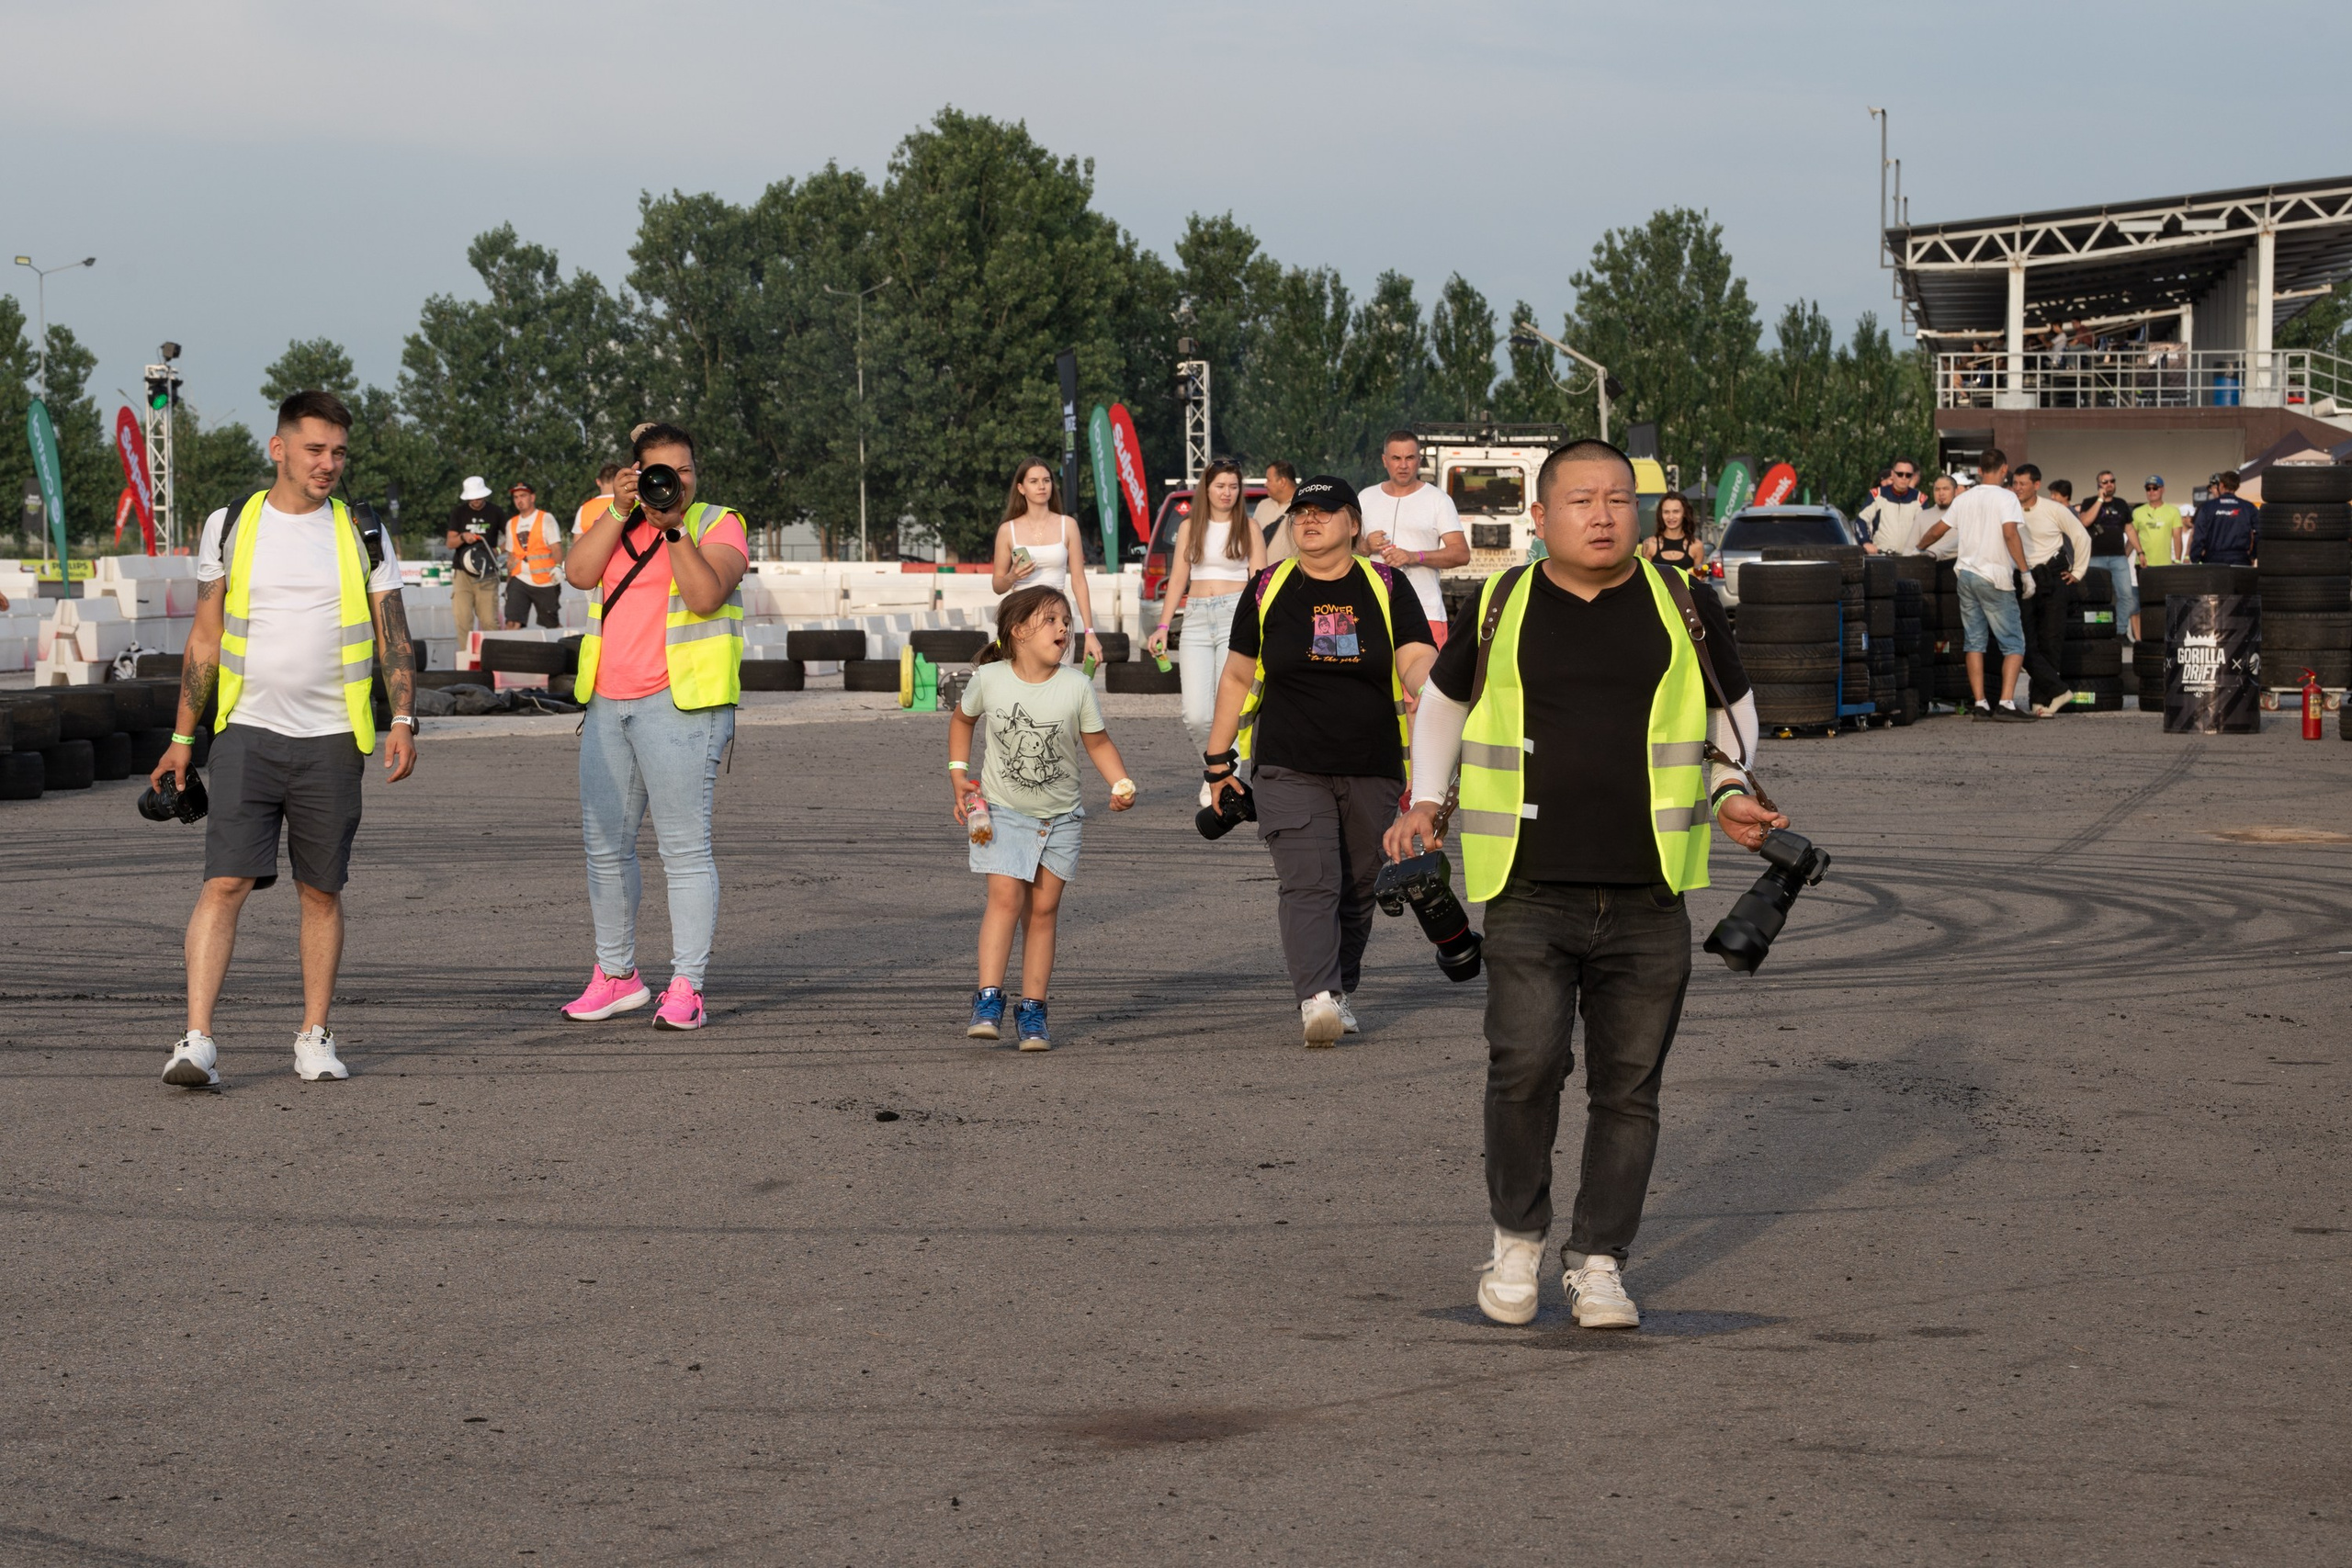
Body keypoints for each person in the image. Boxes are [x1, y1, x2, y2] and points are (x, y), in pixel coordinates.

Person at [1386, 438, 1786, 1332]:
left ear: (1639, 513)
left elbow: (1736, 720)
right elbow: (1445, 705)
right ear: (1541, 517)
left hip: (1650, 893)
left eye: (1617, 498)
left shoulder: (1682, 603)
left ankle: (1599, 1261)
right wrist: (1424, 801)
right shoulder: (1501, 601)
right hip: (1527, 887)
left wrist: (1727, 793)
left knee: (1628, 1088)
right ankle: (1517, 1241)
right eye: (1580, 499)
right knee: (1525, 1066)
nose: (1602, 514)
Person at [153, 390, 418, 1089]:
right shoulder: (231, 524)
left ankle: (314, 1035)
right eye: (314, 449)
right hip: (245, 733)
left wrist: (403, 718)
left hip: (333, 739)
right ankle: (198, 1041)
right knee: (224, 883)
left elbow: (394, 634)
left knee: (320, 891)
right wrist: (185, 736)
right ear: (279, 449)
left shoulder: (364, 529)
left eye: (337, 452)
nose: (328, 464)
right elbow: (205, 636)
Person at [1200, 475, 1436, 1046]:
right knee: (1310, 882)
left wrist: (1437, 692)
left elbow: (1415, 658)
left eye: (1325, 512)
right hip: (1288, 762)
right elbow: (1236, 675)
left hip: (1372, 762)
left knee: (1359, 885)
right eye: (1302, 511)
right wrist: (1216, 763)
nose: (1309, 519)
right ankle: (1318, 997)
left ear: (1353, 524)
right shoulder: (1266, 587)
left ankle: (1339, 988)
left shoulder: (1387, 585)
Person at [559, 423, 748, 1032]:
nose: (675, 481)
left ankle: (687, 984)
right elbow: (579, 573)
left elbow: (703, 594)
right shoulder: (612, 515)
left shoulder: (720, 523)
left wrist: (673, 528)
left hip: (682, 705)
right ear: (635, 473)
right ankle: (616, 975)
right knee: (604, 848)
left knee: (684, 850)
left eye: (685, 469)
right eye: (659, 472)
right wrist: (619, 509)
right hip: (608, 702)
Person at [949, 583, 1137, 1050]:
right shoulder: (990, 679)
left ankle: (1033, 1011)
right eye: (1050, 619)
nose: (1063, 628)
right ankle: (988, 998)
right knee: (1006, 901)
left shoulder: (1076, 685)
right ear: (1018, 631)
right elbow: (961, 721)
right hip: (1001, 811)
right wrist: (959, 775)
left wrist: (1119, 782)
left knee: (1044, 911)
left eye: (1065, 620)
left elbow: (1096, 741)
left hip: (1062, 819)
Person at [1148, 459, 1267, 764]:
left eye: (1233, 486)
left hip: (1235, 616)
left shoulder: (1250, 527)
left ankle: (1224, 782)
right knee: (1196, 715)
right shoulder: (1190, 527)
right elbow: (1177, 579)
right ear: (1207, 489)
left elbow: (1260, 583)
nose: (1227, 493)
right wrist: (1162, 626)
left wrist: (1261, 628)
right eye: (1220, 486)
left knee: (1230, 708)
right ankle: (1217, 769)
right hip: (1196, 618)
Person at [1917, 449, 2035, 720]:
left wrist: (1918, 547)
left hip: (1966, 575)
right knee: (2014, 643)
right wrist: (2026, 573)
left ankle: (1980, 703)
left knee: (1974, 641)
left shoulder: (1964, 498)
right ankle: (2006, 703)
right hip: (1994, 575)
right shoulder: (2007, 497)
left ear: (1980, 470)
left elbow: (1939, 529)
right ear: (2004, 469)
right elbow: (2010, 533)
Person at [989, 457, 1104, 668]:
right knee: (1021, 684)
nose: (1041, 486)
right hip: (1022, 616)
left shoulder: (1068, 525)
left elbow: (1079, 581)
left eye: (1046, 480)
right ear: (1021, 488)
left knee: (1058, 684)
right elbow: (998, 585)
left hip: (1057, 615)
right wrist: (1012, 577)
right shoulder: (1008, 530)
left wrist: (1090, 632)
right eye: (1034, 481)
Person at [1360, 430, 1469, 645]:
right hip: (1373, 610)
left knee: (1424, 679)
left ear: (1419, 460)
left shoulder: (1438, 500)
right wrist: (1365, 546)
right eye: (1396, 458)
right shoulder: (1365, 497)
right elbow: (1343, 553)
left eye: (1409, 458)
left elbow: (1461, 553)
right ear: (1384, 461)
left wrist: (1414, 556)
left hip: (1424, 611)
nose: (1403, 465)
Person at [2011, 464, 2093, 716]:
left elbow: (2082, 537)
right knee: (2024, 643)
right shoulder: (2008, 508)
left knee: (2050, 641)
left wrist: (2077, 572)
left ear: (2036, 485)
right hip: (2023, 577)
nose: (2018, 488)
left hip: (2054, 577)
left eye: (2023, 484)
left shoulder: (2055, 509)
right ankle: (2059, 691)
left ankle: (2040, 702)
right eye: (2015, 483)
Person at [2075, 469, 2138, 641]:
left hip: (2118, 557)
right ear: (2098, 485)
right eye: (2105, 482)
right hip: (2095, 557)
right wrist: (2100, 499)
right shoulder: (2089, 502)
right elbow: (2085, 521)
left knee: (2126, 595)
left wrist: (2140, 551)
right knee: (2097, 597)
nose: (2109, 484)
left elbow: (2130, 529)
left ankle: (2119, 631)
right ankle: (2098, 630)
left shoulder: (2122, 504)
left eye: (2112, 481)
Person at [446, 476, 504, 649]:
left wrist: (498, 551)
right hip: (462, 573)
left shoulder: (496, 512)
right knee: (463, 619)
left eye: (479, 497)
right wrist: (463, 537)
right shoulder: (459, 513)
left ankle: (493, 659)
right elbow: (450, 543)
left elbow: (512, 535)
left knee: (489, 620)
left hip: (487, 572)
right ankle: (466, 663)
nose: (476, 501)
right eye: (473, 498)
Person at [503, 480, 567, 629]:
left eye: (523, 496)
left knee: (551, 623)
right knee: (512, 621)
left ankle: (562, 649)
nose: (519, 500)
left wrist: (558, 567)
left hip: (545, 580)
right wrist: (508, 583)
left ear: (532, 497)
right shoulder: (511, 523)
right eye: (516, 497)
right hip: (520, 578)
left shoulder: (546, 518)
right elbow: (511, 556)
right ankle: (512, 651)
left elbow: (556, 547)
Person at [2129, 476, 2185, 639]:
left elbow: (2177, 537)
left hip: (2165, 565)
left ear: (2163, 490)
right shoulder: (2138, 512)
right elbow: (2133, 538)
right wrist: (2123, 557)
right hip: (2143, 565)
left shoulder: (2173, 511)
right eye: (2148, 489)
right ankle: (2144, 637)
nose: (2152, 492)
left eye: (2155, 488)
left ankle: (2165, 635)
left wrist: (2177, 561)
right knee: (2144, 603)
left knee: (2165, 603)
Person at [1857, 459, 1927, 554]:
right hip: (1881, 556)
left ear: (1912, 476)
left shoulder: (1919, 499)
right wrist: (1865, 542)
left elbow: (1925, 529)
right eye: (1900, 474)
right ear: (1893, 474)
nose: (1904, 478)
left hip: (1909, 558)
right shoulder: (1877, 495)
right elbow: (1861, 520)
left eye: (1908, 475)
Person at [2189, 470, 2258, 566]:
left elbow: (2199, 535)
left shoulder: (2207, 507)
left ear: (2221, 485)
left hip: (2213, 560)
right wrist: (2253, 555)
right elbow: (2260, 532)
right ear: (2237, 487)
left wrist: (2195, 558)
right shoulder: (2248, 507)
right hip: (2240, 559)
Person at [1637, 492, 1706, 573]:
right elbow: (1647, 579)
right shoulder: (1649, 544)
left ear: (1684, 513)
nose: (1671, 517)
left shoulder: (1696, 546)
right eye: (1666, 512)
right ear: (1661, 514)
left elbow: (1698, 580)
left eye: (1676, 512)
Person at [1256, 461, 1299, 563]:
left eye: (1268, 480)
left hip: (1291, 576)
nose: (1265, 484)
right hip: (1261, 576)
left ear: (1282, 482)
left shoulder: (1302, 507)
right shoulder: (1262, 505)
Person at [573, 461, 622, 537]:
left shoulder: (584, 509)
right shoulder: (629, 504)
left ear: (598, 482)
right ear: (620, 480)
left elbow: (576, 544)